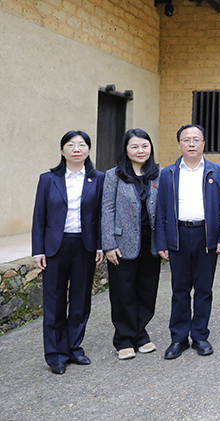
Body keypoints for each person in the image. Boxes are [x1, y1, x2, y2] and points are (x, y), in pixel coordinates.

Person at [32, 131, 104, 374]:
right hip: (56, 246)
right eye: (70, 145)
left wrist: (100, 245)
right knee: (54, 301)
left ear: (88, 150)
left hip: (85, 245)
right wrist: (38, 250)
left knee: (81, 300)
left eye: (82, 145)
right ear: (62, 150)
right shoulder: (48, 179)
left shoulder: (98, 179)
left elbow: (101, 215)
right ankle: (55, 355)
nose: (76, 149)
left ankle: (74, 348)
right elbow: (39, 217)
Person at [155, 124, 220, 360]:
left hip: (206, 235)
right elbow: (160, 210)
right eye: (186, 140)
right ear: (179, 145)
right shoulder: (168, 174)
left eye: (196, 139)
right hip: (178, 235)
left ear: (203, 144)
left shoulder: (217, 172)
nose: (191, 144)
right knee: (180, 289)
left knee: (204, 289)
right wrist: (162, 242)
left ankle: (200, 336)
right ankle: (178, 338)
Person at [101, 129, 161, 360]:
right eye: (134, 146)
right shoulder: (113, 175)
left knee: (147, 290)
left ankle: (140, 334)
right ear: (126, 149)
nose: (140, 151)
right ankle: (124, 339)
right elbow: (107, 210)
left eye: (144, 146)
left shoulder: (159, 174)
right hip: (121, 243)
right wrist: (108, 244)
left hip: (151, 242)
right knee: (122, 292)